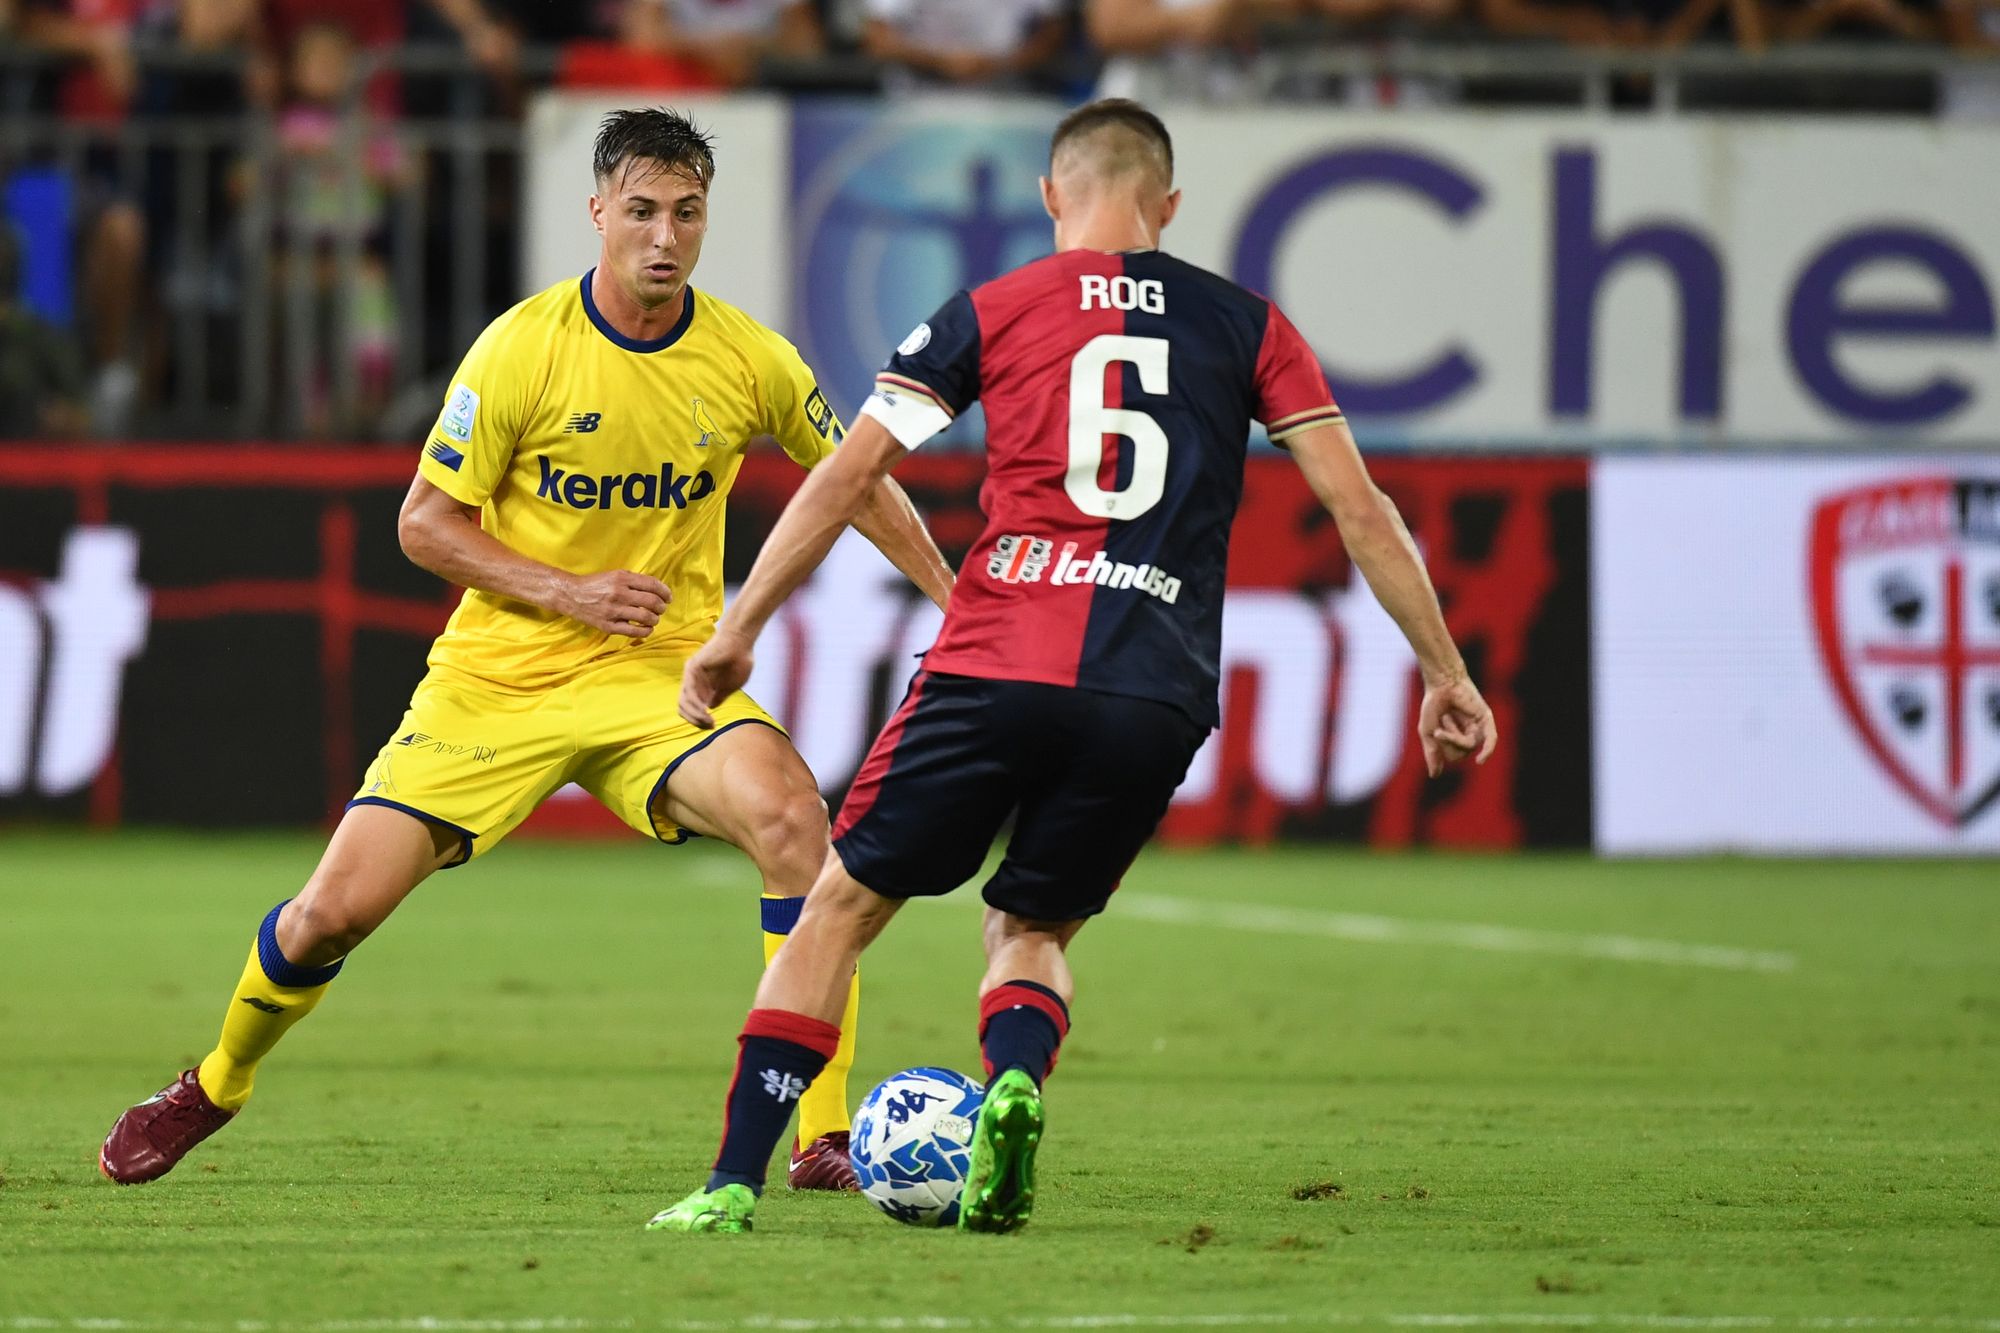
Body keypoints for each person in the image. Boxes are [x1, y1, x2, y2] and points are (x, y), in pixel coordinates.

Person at [648, 98, 1498, 1236]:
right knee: (1030, 929)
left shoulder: (993, 308)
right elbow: (1361, 509)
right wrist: (1444, 671)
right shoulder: (1248, 326)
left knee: (839, 907)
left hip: (995, 660)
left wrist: (740, 623)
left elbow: (847, 474)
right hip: (1151, 688)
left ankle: (729, 1183)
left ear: (1051, 194)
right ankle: (1011, 1082)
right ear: (1168, 205)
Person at [97, 108, 957, 1195]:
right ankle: (217, 1082)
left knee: (794, 823)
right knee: (328, 915)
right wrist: (569, 590)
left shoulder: (752, 358)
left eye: (686, 213)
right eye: (640, 211)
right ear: (597, 211)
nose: (664, 237)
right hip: (497, 680)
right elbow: (423, 524)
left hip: (657, 677)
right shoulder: (520, 348)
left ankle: (817, 1137)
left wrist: (957, 602)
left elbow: (856, 480)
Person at [620, 0, 827, 88]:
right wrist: (707, 49)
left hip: (761, 86)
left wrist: (752, 48)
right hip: (687, 86)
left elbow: (808, 48)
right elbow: (640, 41)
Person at [863, 0, 1067, 89]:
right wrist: (942, 63)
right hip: (917, 97)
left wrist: (996, 64)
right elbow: (878, 39)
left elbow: (1053, 33)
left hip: (1008, 97)